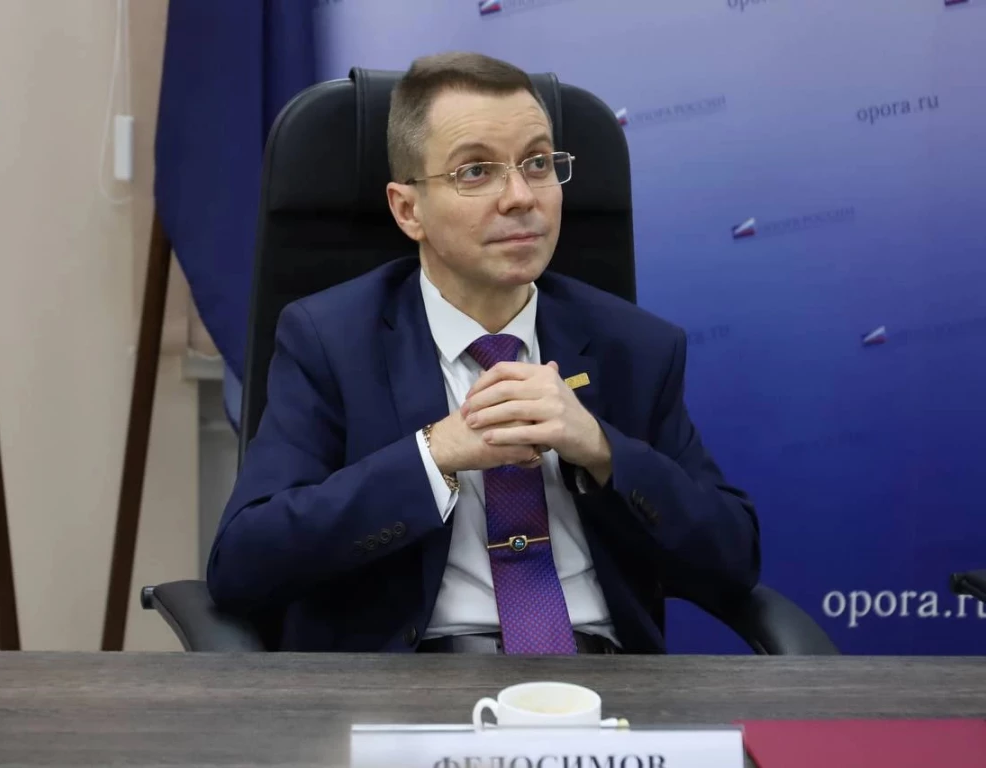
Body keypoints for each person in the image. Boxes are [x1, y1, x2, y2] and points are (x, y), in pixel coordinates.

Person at [206, 51, 760, 654]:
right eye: (475, 171)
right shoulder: (330, 341)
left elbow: (733, 559)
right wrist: (433, 456)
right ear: (408, 209)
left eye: (538, 163)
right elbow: (244, 563)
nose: (520, 197)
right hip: (408, 685)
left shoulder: (635, 346)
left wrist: (601, 449)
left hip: (600, 683)